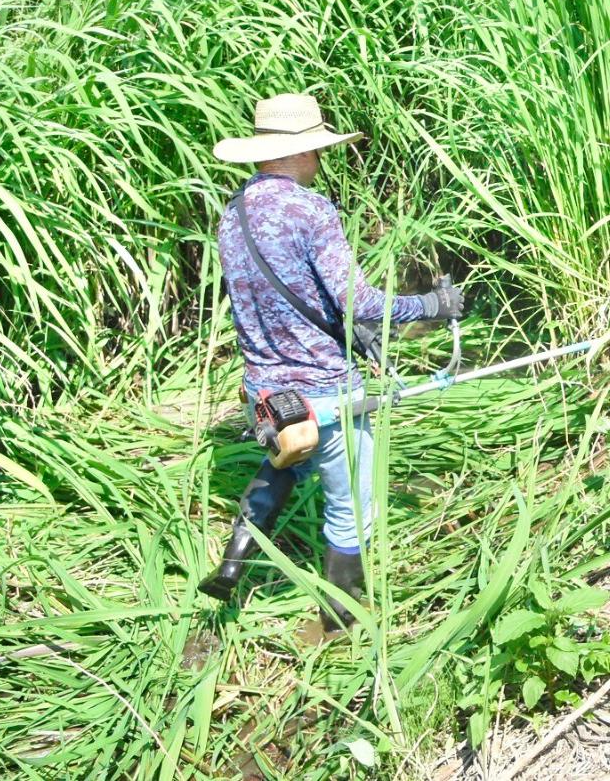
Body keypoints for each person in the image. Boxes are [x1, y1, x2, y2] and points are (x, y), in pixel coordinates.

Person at [198, 93, 462, 631]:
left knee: (286, 459)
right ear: (302, 152)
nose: (322, 160)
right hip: (324, 389)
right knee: (353, 509)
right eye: (319, 150)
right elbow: (359, 302)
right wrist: (431, 306)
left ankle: (232, 564)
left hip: (264, 389)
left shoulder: (236, 210)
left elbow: (282, 294)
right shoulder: (310, 209)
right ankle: (341, 622)